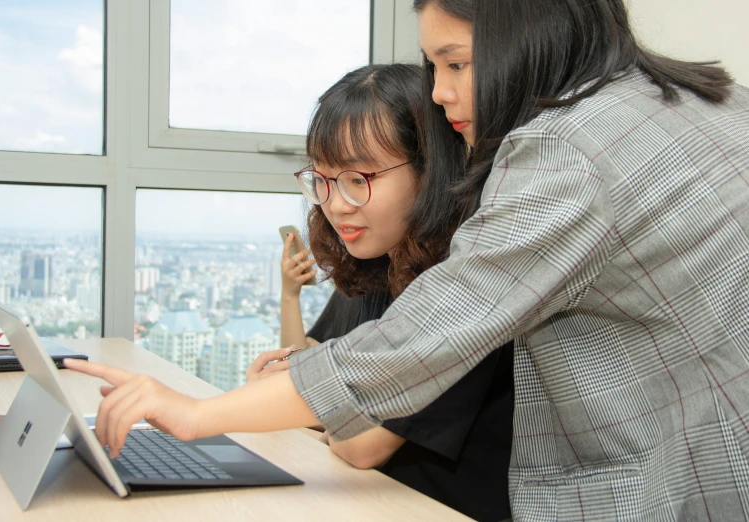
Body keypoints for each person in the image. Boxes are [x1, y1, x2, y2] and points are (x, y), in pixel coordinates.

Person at [65, 0, 749, 519]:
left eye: (455, 63)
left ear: (527, 38)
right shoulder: (714, 106)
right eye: (433, 68)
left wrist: (196, 415)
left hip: (675, 483)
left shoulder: (564, 151)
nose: (442, 93)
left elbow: (412, 348)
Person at [256, 63, 514, 521]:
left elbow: (360, 444)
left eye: (359, 180)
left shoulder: (466, 285)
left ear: (429, 170)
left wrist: (314, 409)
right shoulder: (376, 265)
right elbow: (306, 378)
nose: (335, 204)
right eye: (323, 179)